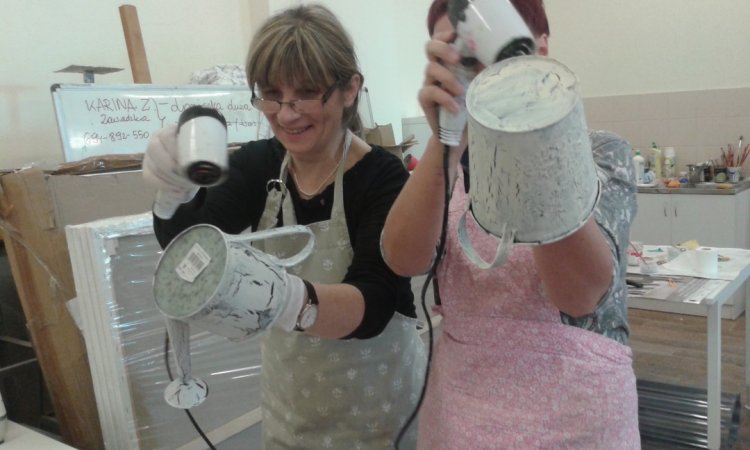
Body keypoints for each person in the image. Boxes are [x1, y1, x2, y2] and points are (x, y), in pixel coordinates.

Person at [143, 4, 426, 449]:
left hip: (380, 417)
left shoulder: (383, 178)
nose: (286, 114)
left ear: (350, 89)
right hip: (290, 413)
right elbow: (187, 248)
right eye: (271, 95)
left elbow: (374, 305)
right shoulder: (258, 165)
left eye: (306, 94)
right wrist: (172, 196)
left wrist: (286, 299)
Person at [380, 0, 641, 448]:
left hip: (575, 420)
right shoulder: (451, 164)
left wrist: (526, 124)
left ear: (541, 48)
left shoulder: (600, 155)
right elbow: (402, 260)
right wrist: (446, 141)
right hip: (461, 417)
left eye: (489, 52)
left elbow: (579, 295)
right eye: (459, 56)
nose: (479, 72)